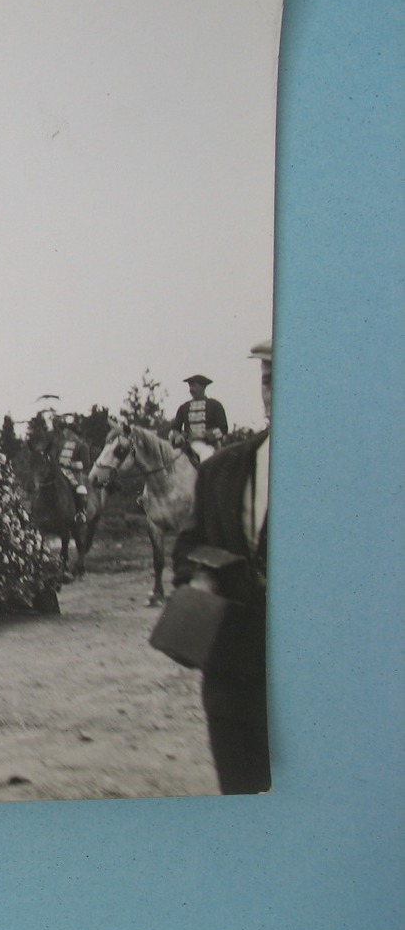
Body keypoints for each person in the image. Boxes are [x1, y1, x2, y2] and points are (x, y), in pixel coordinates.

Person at [171, 339, 272, 794]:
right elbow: (190, 544)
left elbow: (221, 428)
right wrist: (200, 578)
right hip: (235, 690)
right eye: (270, 380)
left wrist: (207, 439)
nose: (194, 393)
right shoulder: (223, 473)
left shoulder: (214, 409)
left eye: (197, 387)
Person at [170, 373, 229, 463]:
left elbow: (223, 428)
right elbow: (175, 428)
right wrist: (178, 436)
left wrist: (204, 435)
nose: (191, 389)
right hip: (187, 445)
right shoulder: (184, 407)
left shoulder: (215, 405)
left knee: (206, 458)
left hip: (209, 445)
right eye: (190, 386)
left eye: (194, 386)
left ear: (203, 387)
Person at [46, 413, 92, 524]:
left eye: (67, 431)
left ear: (73, 433)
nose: (65, 433)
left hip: (74, 473)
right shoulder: (61, 443)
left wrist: (71, 464)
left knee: (81, 489)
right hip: (59, 470)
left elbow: (86, 464)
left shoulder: (82, 446)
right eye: (65, 431)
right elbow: (55, 456)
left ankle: (81, 512)